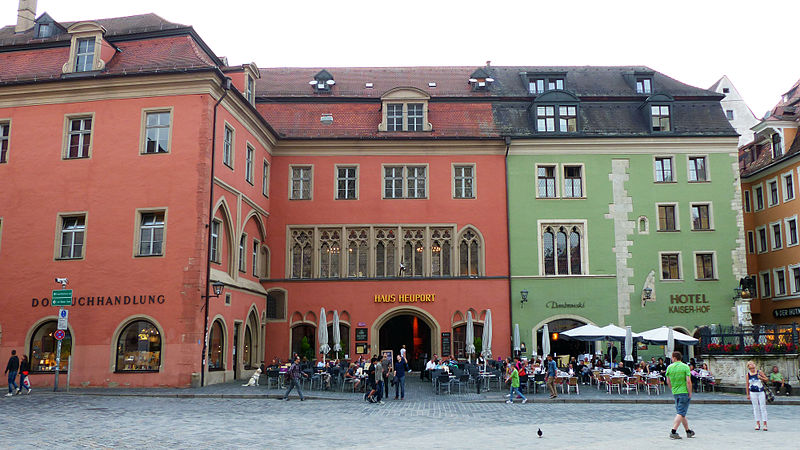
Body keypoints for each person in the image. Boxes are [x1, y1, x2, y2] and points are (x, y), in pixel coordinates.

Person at [665, 351, 694, 439]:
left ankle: (688, 431)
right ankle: (673, 431)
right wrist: (690, 392)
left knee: (682, 413)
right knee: (681, 412)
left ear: (674, 358)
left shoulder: (669, 367)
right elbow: (688, 381)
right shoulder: (685, 367)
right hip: (684, 391)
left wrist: (672, 389)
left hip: (675, 392)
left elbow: (668, 381)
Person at [746, 361, 769, 431]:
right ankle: (757, 423)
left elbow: (767, 379)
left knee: (763, 407)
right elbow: (747, 385)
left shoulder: (759, 372)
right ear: (748, 368)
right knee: (755, 407)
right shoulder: (748, 375)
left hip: (760, 391)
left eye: (753, 366)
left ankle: (765, 424)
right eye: (750, 367)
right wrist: (748, 394)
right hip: (753, 392)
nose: (752, 368)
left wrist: (761, 378)